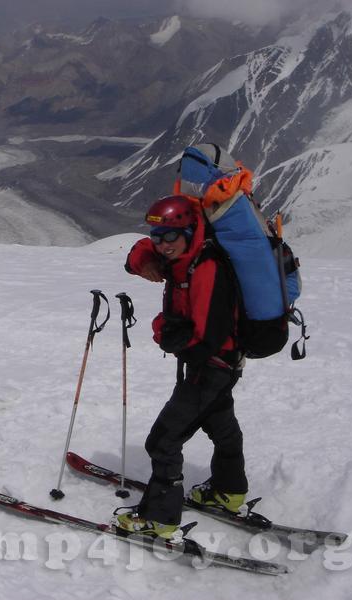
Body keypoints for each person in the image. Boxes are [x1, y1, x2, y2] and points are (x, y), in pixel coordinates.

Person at [114, 194, 248, 540]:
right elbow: (136, 256)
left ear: (190, 231)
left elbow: (208, 338)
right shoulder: (184, 256)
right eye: (157, 237)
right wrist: (146, 259)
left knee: (163, 440)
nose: (162, 244)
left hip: (211, 366)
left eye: (170, 236)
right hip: (222, 366)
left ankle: (160, 519)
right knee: (222, 427)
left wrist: (164, 330)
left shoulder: (206, 268)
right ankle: (228, 491)